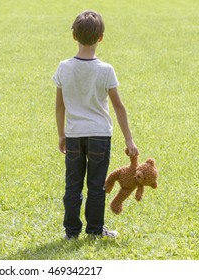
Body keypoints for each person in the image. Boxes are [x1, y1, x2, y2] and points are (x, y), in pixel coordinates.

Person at [52, 10, 139, 240]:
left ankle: (71, 233)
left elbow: (59, 106)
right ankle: (94, 231)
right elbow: (119, 106)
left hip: (73, 134)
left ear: (74, 36)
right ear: (101, 37)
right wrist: (129, 139)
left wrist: (62, 134)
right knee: (97, 186)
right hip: (100, 135)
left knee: (72, 185)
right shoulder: (106, 70)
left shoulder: (64, 67)